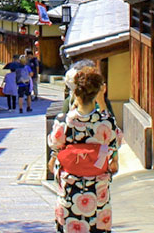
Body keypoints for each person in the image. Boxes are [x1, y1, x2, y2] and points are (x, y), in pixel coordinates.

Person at [48, 65, 120, 232]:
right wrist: (102, 102)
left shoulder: (64, 122)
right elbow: (114, 142)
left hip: (70, 190)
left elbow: (54, 152)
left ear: (75, 92)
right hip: (97, 192)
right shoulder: (106, 123)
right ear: (97, 92)